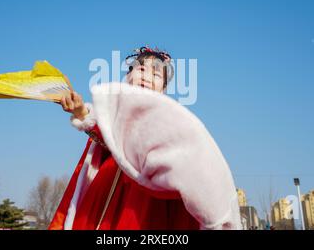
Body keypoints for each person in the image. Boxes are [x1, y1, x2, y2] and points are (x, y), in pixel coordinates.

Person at [49, 46, 241, 230]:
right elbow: (103, 136)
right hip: (106, 193)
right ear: (128, 77)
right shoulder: (113, 115)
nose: (146, 76)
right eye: (141, 69)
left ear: (163, 89)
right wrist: (82, 112)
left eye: (156, 74)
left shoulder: (172, 123)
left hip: (144, 205)